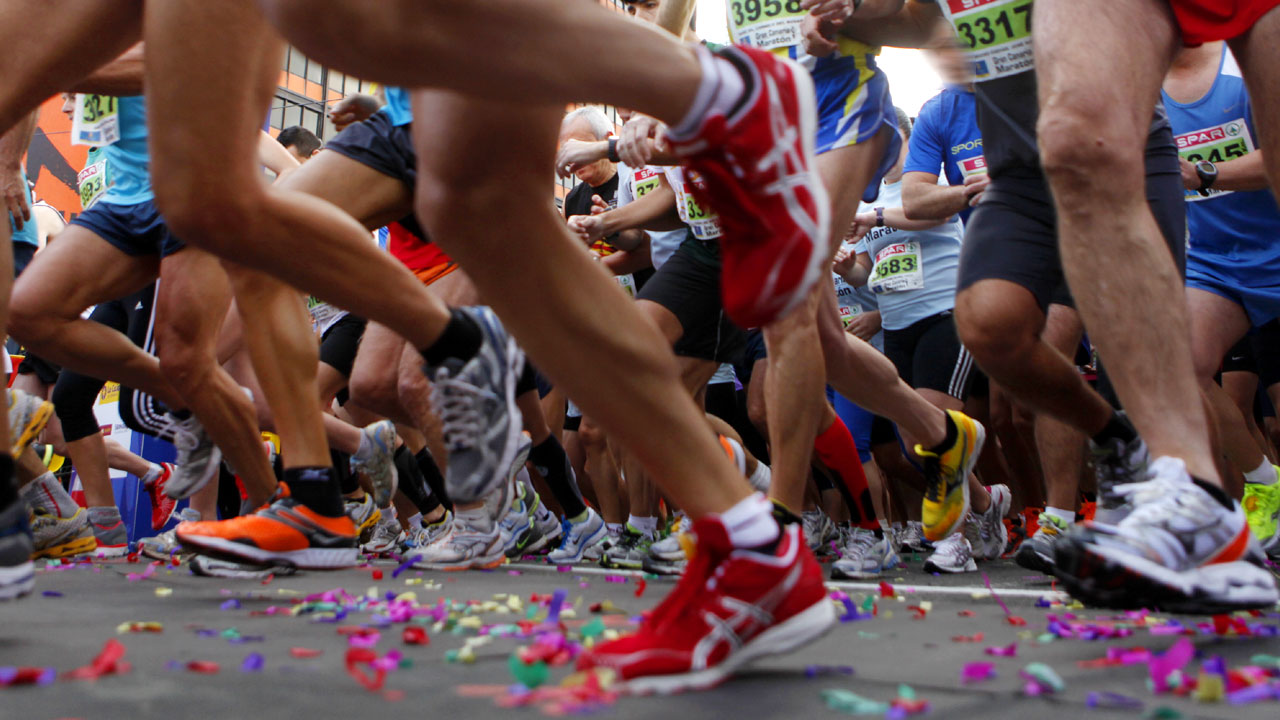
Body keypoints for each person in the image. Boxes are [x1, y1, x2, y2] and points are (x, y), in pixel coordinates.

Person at [1162, 41, 1280, 557]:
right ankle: (1265, 483)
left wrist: (1206, 173)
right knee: (1182, 362)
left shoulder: (1245, 59)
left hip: (1276, 250)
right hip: (1213, 259)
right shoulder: (1140, 84)